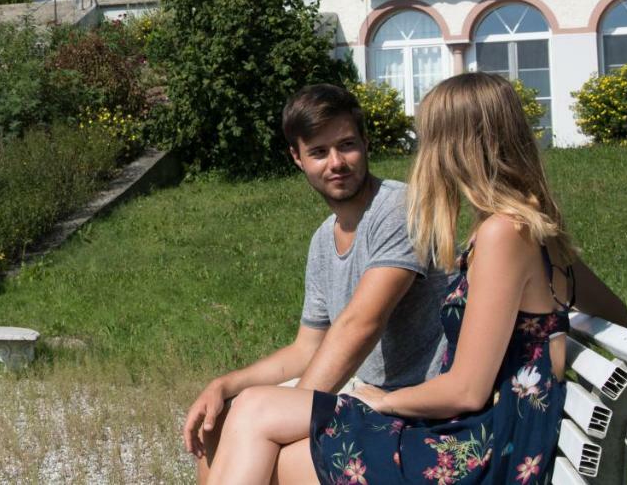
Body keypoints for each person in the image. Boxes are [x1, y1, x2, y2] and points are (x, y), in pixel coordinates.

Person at [204, 72, 627, 485]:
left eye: (429, 139)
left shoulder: (503, 233)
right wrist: (544, 354)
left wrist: (381, 402)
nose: (423, 154)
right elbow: (616, 314)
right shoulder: (530, 226)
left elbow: (466, 391)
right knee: (253, 412)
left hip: (473, 451)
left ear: (458, 147)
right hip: (486, 436)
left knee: (260, 422)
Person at [183, 84, 448, 482]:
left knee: (263, 430)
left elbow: (362, 324)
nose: (336, 162)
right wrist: (225, 384)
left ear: (366, 142)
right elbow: (308, 347)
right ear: (298, 158)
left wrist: (285, 409)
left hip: (414, 409)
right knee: (218, 425)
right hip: (366, 398)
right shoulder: (324, 239)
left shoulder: (399, 208)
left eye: (347, 145)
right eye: (320, 152)